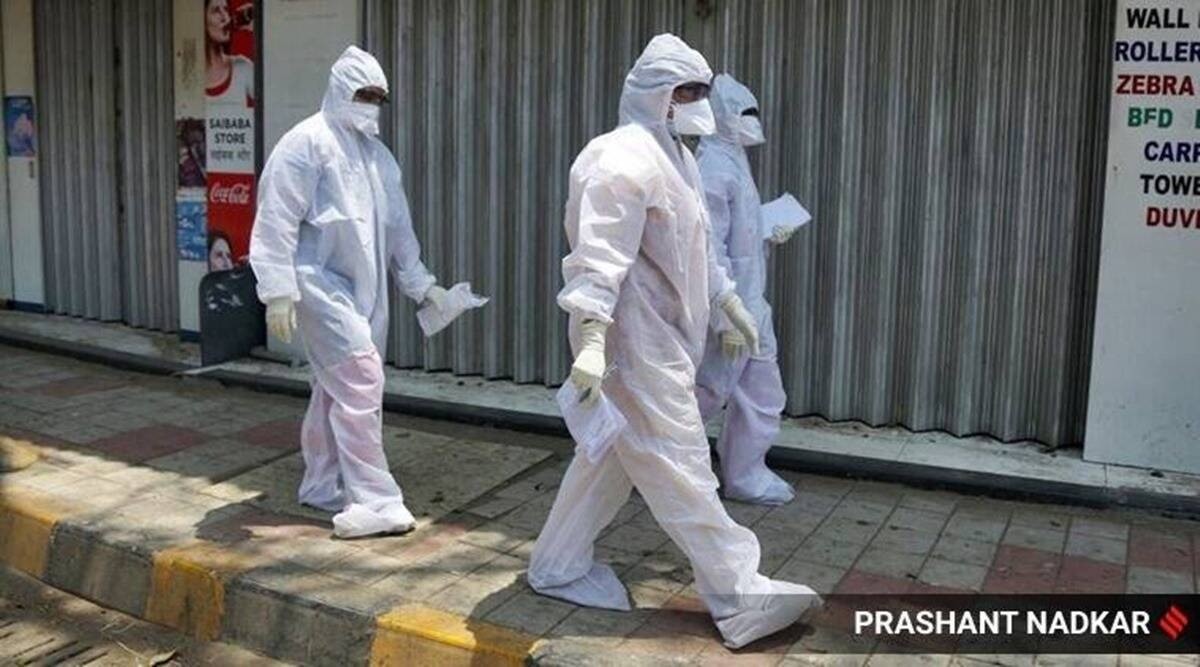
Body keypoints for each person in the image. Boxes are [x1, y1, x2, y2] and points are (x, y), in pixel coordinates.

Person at [527, 34, 820, 650]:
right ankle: (738, 595)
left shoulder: (678, 158)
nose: (696, 103)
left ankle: (556, 565)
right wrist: (591, 339)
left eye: (701, 91)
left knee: (609, 457)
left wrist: (728, 301)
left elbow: (699, 247)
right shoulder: (617, 159)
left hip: (664, 339)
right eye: (685, 91)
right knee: (682, 463)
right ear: (653, 93)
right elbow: (597, 258)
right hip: (630, 345)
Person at [249, 46, 457, 539]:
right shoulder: (306, 143)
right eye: (363, 93)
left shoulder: (377, 157)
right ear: (340, 89)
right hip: (316, 284)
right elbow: (276, 217)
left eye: (378, 97)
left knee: (334, 386)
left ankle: (322, 483)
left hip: (364, 291)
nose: (370, 104)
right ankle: (376, 500)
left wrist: (423, 286)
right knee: (361, 380)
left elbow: (399, 229)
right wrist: (277, 290)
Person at [694, 74, 798, 506]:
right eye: (743, 113)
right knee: (704, 394)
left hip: (752, 302)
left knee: (761, 392)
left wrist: (768, 230)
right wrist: (726, 316)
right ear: (721, 116)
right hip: (731, 305)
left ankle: (745, 474)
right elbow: (708, 249)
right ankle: (639, 462)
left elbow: (739, 237)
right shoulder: (712, 168)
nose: (752, 121)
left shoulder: (733, 159)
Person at [205, 0, 254, 107]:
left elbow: (274, 97)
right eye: (216, 11)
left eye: (226, 10)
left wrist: (262, 30)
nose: (226, 18)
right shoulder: (186, 75)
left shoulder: (243, 67)